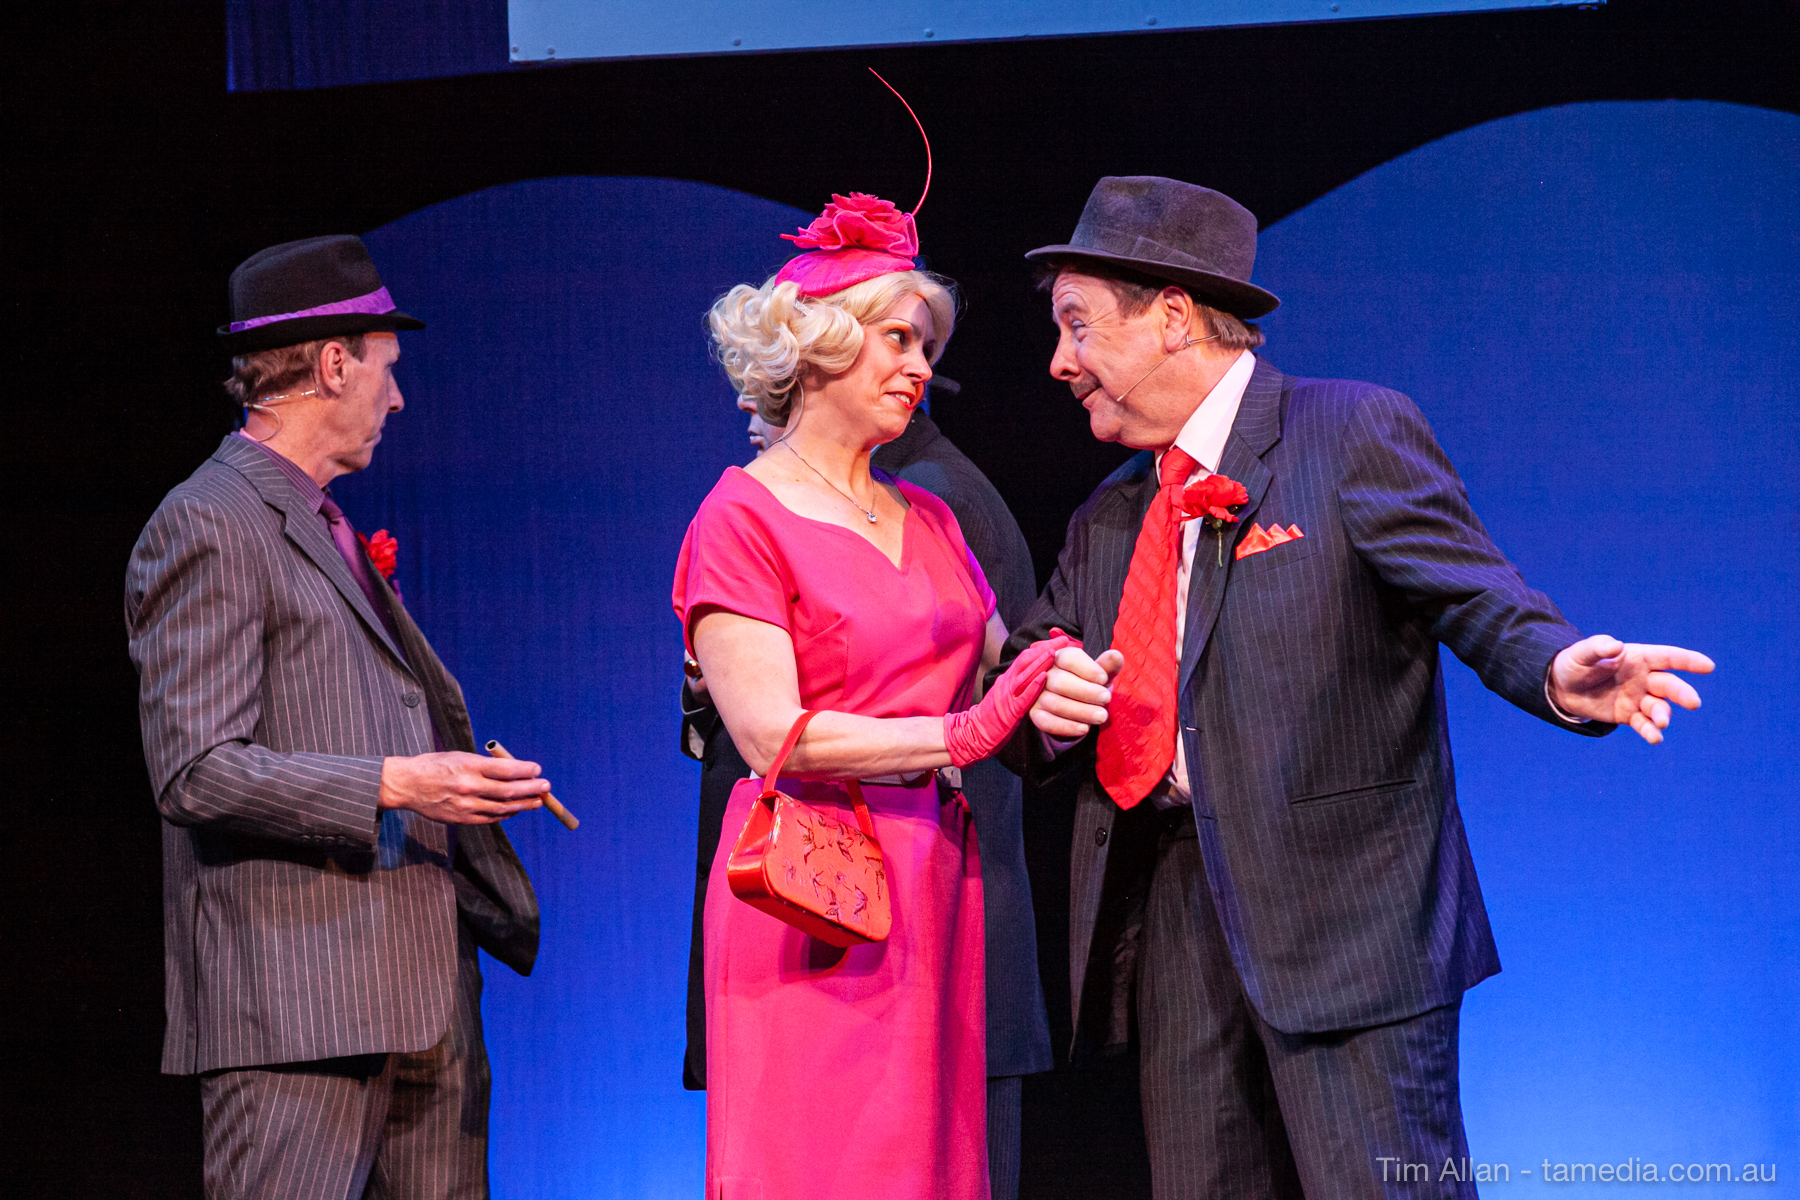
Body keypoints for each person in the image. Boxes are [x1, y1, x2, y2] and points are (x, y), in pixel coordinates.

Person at [1000, 177, 1714, 1199]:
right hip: (1176, 922)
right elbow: (1028, 666)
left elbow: (1477, 595)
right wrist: (1041, 700)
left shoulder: (1345, 432)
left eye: (1078, 325)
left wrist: (1557, 669)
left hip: (1349, 927)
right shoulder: (1109, 516)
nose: (1059, 363)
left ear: (1171, 316)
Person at [126, 235, 547, 1200]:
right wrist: (400, 781)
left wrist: (453, 775)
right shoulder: (209, 521)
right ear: (331, 364)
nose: (397, 400)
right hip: (301, 1010)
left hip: (423, 994)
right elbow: (195, 769)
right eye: (386, 370)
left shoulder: (325, 524)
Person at [673, 192, 1069, 1199]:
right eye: (898, 339)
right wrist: (959, 733)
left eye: (926, 345)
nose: (920, 367)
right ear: (820, 347)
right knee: (827, 1162)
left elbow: (1004, 670)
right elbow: (773, 734)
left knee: (932, 1164)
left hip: (936, 876)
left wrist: (1068, 677)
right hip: (811, 891)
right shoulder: (740, 517)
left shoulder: (932, 517)